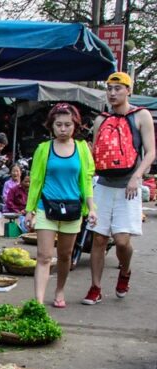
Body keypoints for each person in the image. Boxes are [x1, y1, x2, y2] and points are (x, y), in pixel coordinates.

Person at [82, 72, 155, 305]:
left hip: (128, 187)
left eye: (118, 88)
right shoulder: (100, 119)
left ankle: (125, 271)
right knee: (99, 239)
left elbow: (151, 151)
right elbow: (94, 156)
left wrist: (137, 176)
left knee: (122, 241)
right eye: (109, 89)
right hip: (102, 185)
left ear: (128, 90)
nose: (112, 93)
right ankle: (95, 287)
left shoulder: (141, 115)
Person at [25, 103, 97, 308]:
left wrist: (92, 208)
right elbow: (36, 180)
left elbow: (87, 181)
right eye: (59, 125)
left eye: (67, 125)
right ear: (51, 126)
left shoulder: (82, 149)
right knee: (44, 256)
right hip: (46, 207)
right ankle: (38, 301)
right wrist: (30, 210)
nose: (63, 129)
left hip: (73, 209)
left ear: (75, 125)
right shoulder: (43, 149)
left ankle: (59, 290)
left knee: (65, 256)